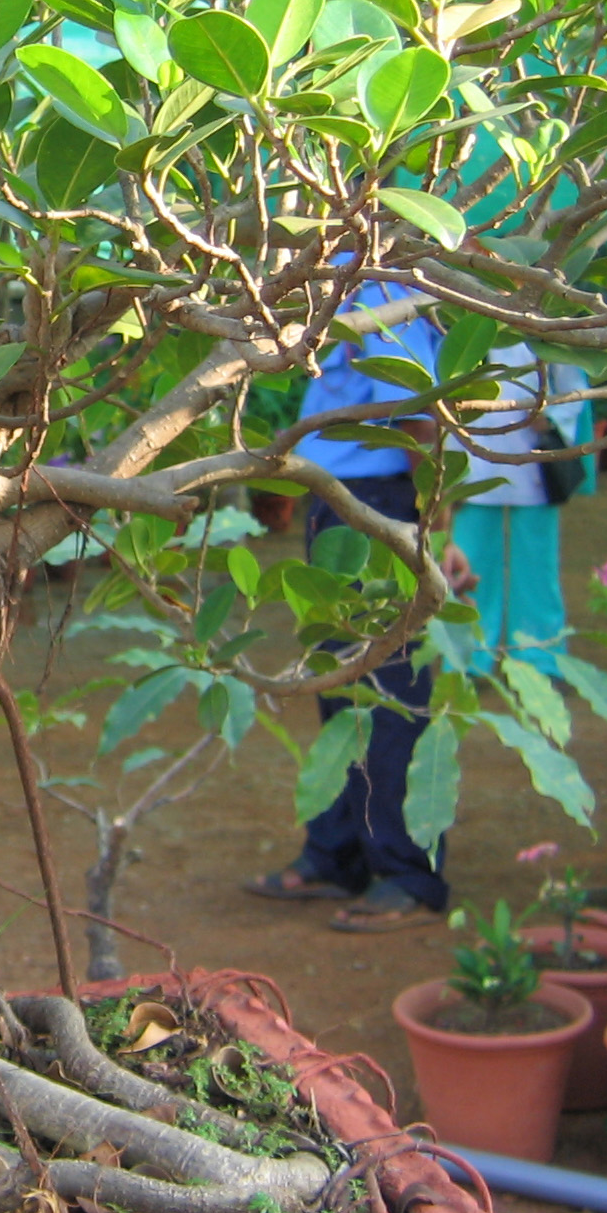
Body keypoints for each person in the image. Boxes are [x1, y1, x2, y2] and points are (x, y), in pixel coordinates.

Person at [244, 282, 474, 933]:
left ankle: (407, 872)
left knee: (389, 685)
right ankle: (338, 852)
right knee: (339, 678)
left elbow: (419, 416)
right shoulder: (335, 277)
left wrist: (433, 531)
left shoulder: (389, 294)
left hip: (380, 501)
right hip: (336, 495)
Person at [451, 344, 591, 677]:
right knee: (468, 572)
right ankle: (467, 660)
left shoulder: (549, 328)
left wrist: (551, 418)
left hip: (535, 468)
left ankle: (541, 660)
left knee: (537, 572)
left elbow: (576, 388)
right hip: (474, 469)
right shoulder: (463, 320)